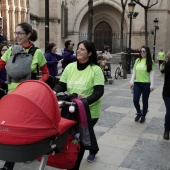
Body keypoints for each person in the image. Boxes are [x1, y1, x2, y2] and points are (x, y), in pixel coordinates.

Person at [0, 22, 49, 170]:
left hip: (28, 96)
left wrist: (37, 84)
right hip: (12, 96)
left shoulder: (37, 53)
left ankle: (13, 161)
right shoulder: (10, 50)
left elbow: (46, 73)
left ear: (28, 34)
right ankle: (10, 160)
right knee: (10, 127)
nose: (17, 36)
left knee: (23, 128)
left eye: (20, 33)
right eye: (15, 33)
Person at [53, 40, 104, 169]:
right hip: (71, 110)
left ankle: (74, 166)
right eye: (78, 48)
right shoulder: (70, 67)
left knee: (79, 140)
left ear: (90, 53)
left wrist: (85, 101)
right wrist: (54, 91)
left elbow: (99, 91)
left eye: (82, 49)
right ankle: (92, 148)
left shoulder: (95, 70)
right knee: (75, 136)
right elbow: (61, 84)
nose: (78, 51)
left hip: (89, 111)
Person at [130, 46, 155, 123]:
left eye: (144, 51)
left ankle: (143, 115)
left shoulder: (150, 61)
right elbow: (134, 72)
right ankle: (139, 112)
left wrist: (152, 85)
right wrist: (131, 81)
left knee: (145, 101)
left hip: (146, 84)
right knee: (135, 100)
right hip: (137, 83)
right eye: (141, 51)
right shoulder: (137, 60)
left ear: (147, 52)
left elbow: (152, 74)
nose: (142, 53)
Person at [160, 51, 170, 140]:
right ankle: (166, 130)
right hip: (168, 92)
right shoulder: (168, 65)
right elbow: (163, 71)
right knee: (169, 111)